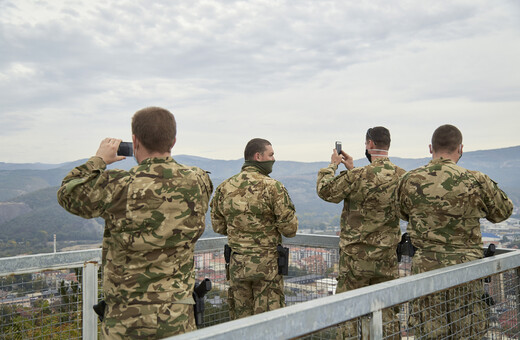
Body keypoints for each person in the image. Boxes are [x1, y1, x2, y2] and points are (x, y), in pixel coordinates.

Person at [57, 107, 213, 339]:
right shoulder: (199, 179)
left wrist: (98, 160)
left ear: (134, 141)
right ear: (173, 140)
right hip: (177, 314)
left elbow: (68, 194)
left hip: (125, 317)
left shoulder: (118, 185)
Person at [395, 124, 513, 339]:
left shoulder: (409, 180)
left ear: (431, 148)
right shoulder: (476, 180)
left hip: (426, 273)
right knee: (467, 331)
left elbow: (403, 213)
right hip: (466, 272)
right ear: (460, 149)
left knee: (429, 332)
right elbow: (502, 213)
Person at [316, 127, 405, 339]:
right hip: (387, 259)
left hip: (355, 262)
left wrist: (333, 165)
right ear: (388, 145)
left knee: (349, 313)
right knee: (387, 313)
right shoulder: (402, 176)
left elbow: (325, 190)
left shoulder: (357, 176)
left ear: (370, 144)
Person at [210, 138, 298, 319]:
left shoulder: (224, 187)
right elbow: (290, 229)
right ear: (258, 156)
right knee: (268, 321)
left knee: (241, 322)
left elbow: (218, 226)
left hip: (238, 265)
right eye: (271, 154)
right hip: (267, 268)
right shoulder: (274, 187)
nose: (274, 159)